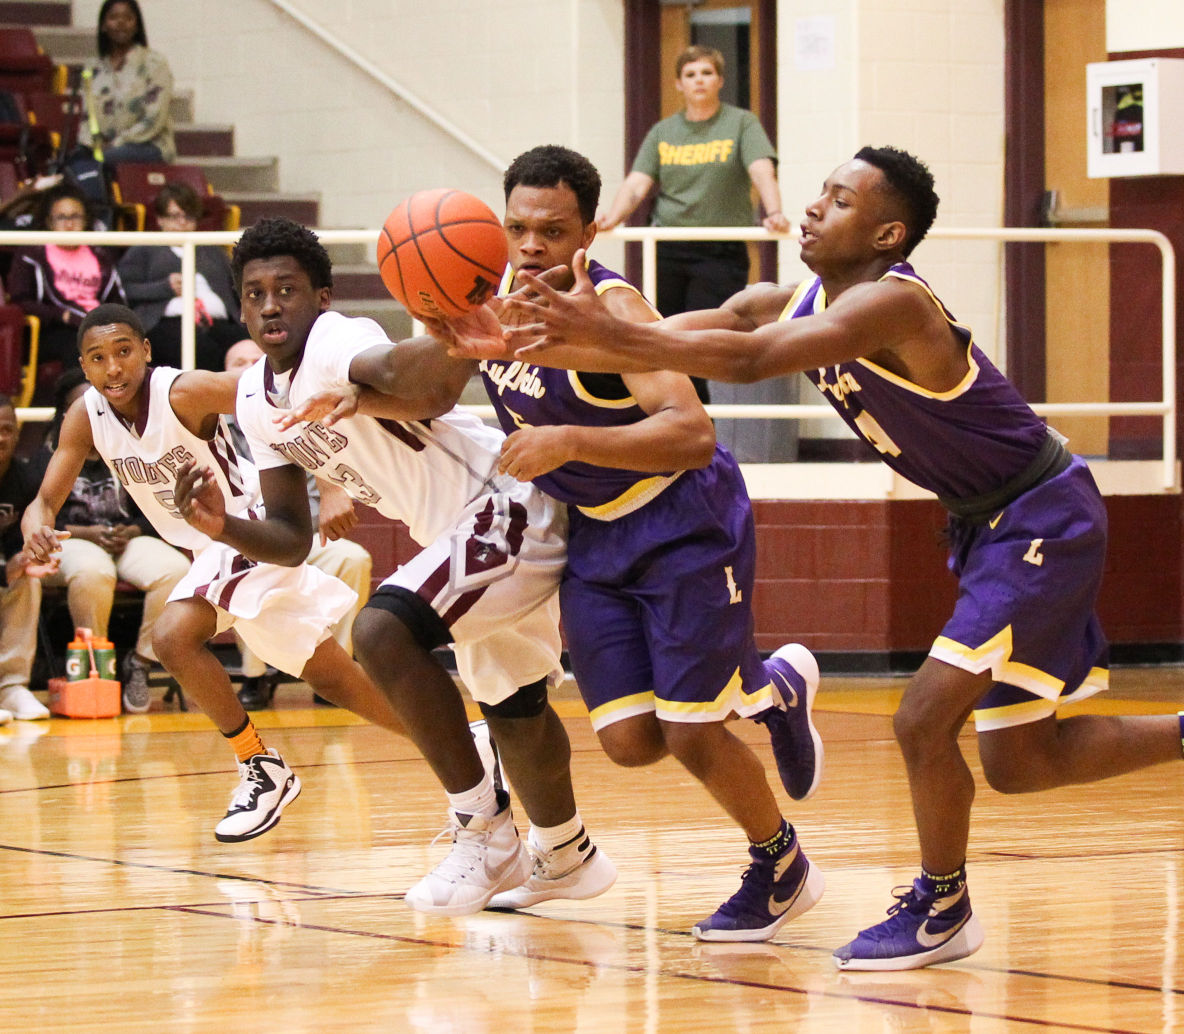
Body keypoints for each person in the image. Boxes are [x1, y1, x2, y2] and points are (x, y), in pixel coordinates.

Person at [484, 146, 1184, 970]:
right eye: (819, 193)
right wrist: (543, 337)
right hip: (988, 523)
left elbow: (749, 361)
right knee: (1020, 760)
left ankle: (941, 906)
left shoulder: (894, 307)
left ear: (886, 234)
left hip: (1041, 516)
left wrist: (604, 330)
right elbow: (713, 330)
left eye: (838, 202)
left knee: (921, 719)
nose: (812, 209)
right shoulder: (801, 297)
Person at [300, 145, 824, 936]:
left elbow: (690, 432)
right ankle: (771, 688)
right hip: (595, 536)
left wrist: (569, 441)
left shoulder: (612, 310)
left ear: (589, 230)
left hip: (682, 519)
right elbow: (441, 384)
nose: (533, 245)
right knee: (628, 742)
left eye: (553, 230)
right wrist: (358, 401)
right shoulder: (495, 296)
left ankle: (781, 865)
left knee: (687, 731)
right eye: (517, 227)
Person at [177, 217, 612, 916]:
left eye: (286, 288)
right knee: (515, 708)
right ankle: (566, 856)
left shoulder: (334, 339)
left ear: (320, 296)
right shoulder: (255, 401)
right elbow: (291, 537)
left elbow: (416, 385)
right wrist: (221, 524)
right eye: (254, 293)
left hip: (504, 504)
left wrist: (460, 329)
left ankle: (485, 834)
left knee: (381, 632)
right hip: (455, 532)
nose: (269, 305)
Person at [22, 304, 410, 842]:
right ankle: (462, 740)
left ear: (146, 352)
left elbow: (283, 400)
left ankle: (259, 766)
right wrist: (35, 527)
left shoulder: (185, 392)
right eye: (98, 358)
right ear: (84, 367)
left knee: (173, 637)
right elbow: (43, 501)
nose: (113, 368)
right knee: (331, 675)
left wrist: (335, 483)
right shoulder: (86, 416)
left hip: (248, 527)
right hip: (209, 552)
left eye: (123, 352)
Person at [597, 44, 789, 403]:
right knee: (664, 337)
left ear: (719, 80)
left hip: (719, 251)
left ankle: (698, 426)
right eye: (690, 74)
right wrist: (613, 216)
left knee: (697, 338)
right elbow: (638, 182)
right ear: (679, 84)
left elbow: (761, 169)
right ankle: (685, 421)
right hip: (668, 248)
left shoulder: (741, 123)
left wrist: (774, 211)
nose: (698, 80)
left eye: (706, 73)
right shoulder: (663, 132)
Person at [220, 338, 372, 711]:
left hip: (298, 534)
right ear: (223, 374)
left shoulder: (294, 412)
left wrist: (332, 487)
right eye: (238, 362)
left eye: (255, 363)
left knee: (353, 558)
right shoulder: (210, 425)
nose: (247, 370)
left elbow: (329, 452)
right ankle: (255, 676)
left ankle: (333, 676)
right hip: (242, 538)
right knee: (238, 565)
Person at [38, 366, 189, 713]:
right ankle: (96, 669)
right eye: (83, 406)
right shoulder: (48, 454)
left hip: (123, 538)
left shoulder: (127, 443)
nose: (93, 412)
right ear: (66, 413)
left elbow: (158, 506)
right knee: (94, 572)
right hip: (71, 538)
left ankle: (141, 661)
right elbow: (42, 514)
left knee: (175, 571)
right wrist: (87, 534)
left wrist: (133, 530)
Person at [5, 183, 126, 398]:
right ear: (50, 222)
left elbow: (117, 301)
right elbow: (20, 301)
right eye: (61, 217)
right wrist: (62, 315)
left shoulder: (100, 254)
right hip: (50, 330)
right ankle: (80, 411)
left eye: (75, 216)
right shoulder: (32, 253)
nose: (69, 224)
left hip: (97, 325)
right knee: (78, 343)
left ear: (86, 220)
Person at [116, 183, 249, 371]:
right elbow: (123, 289)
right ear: (160, 219)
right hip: (167, 323)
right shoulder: (144, 248)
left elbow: (235, 288)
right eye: (175, 217)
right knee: (202, 349)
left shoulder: (212, 251)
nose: (182, 223)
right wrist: (164, 287)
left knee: (247, 346)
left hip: (218, 322)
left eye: (188, 217)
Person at [0, 393, 51, 722]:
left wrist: (34, 558)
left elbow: (21, 544)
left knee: (27, 580)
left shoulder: (25, 480)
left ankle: (11, 687)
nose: (0, 437)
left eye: (6, 429)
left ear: (18, 435)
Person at [81, 0, 176, 166]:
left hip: (147, 145)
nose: (121, 22)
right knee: (72, 165)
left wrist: (116, 144)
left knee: (99, 162)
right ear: (103, 26)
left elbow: (154, 119)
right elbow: (86, 118)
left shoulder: (154, 63)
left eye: (128, 18)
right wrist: (94, 145)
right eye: (113, 17)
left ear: (137, 26)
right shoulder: (93, 68)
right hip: (104, 148)